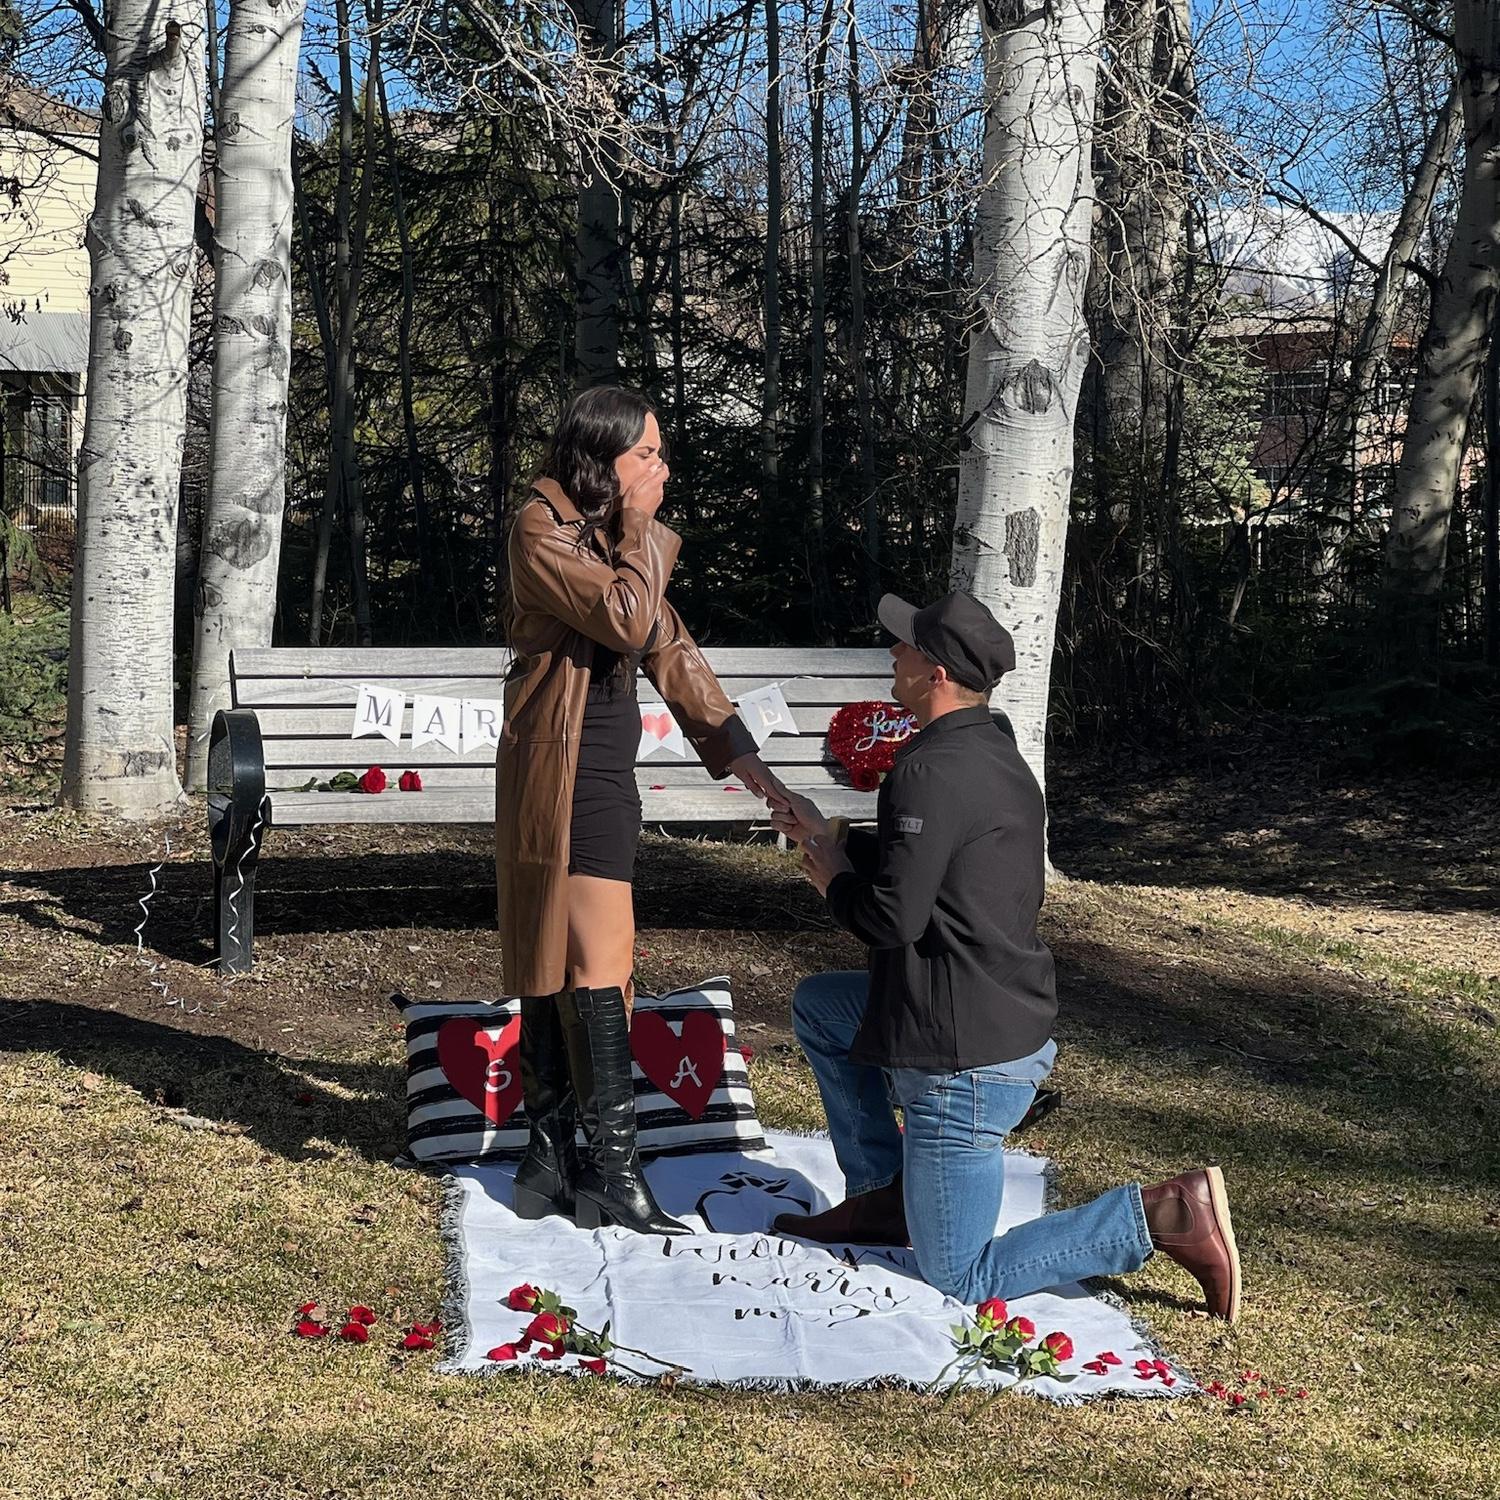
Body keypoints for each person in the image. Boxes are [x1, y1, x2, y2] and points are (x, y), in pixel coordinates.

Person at [769, 590, 1241, 1321]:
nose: (891, 653)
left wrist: (833, 880)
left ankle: (1160, 1215)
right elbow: (931, 865)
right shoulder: (987, 746)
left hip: (961, 1060)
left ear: (935, 674)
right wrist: (832, 837)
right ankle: (883, 1197)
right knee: (823, 1008)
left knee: (959, 1271)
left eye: (905, 646)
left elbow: (892, 916)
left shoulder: (930, 771)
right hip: (980, 1009)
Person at [496, 386, 788, 1236]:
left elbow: (669, 645)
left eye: (660, 453)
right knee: (602, 962)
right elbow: (627, 618)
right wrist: (642, 527)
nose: (662, 468)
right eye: (647, 455)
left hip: (600, 770)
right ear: (603, 461)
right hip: (566, 772)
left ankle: (550, 1158)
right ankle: (613, 1176)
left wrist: (742, 757)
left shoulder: (606, 540)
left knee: (572, 956)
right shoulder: (542, 528)